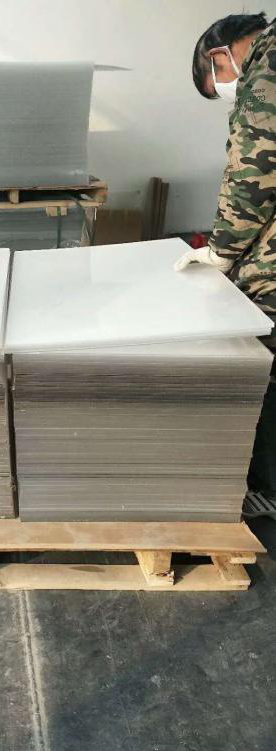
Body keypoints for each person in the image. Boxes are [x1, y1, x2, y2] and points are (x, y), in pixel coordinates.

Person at [176, 12, 275, 502]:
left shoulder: (267, 66)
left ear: (220, 54)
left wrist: (223, 252)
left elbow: (254, 173)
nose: (229, 92)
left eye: (218, 82)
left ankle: (267, 486)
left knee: (261, 343)